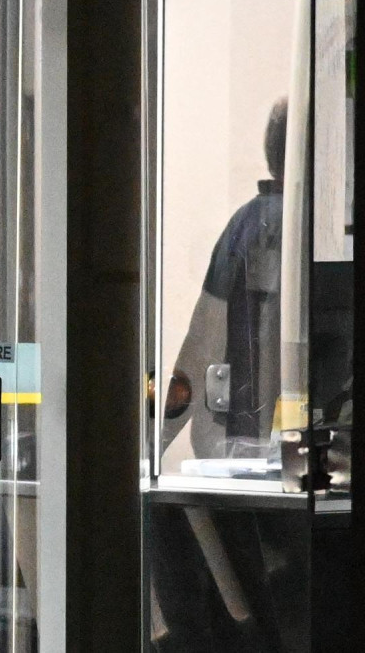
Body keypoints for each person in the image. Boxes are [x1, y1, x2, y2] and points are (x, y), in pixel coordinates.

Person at [151, 98, 305, 653]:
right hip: (277, 473)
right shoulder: (287, 225)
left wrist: (151, 445)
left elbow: (193, 359)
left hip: (236, 465)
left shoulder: (245, 225)